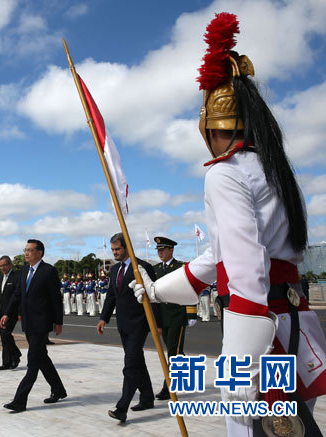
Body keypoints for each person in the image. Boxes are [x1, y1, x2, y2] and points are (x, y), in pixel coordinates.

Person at [130, 13, 326, 436]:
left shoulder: (225, 173)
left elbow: (243, 266)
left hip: (260, 330)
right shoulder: (278, 172)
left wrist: (244, 361)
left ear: (208, 125)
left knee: (250, 426)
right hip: (294, 322)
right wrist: (159, 289)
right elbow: (220, 257)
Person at [96, 232, 161, 423]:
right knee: (137, 361)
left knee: (130, 365)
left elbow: (153, 296)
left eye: (118, 249)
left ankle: (122, 407)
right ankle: (147, 397)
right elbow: (111, 296)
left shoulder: (142, 267)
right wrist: (103, 318)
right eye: (113, 249)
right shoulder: (115, 270)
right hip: (123, 323)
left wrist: (156, 323)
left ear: (127, 248)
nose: (114, 252)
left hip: (139, 323)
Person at [1, 239, 66, 412]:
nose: (26, 253)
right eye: (25, 250)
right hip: (28, 322)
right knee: (42, 358)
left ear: (40, 252)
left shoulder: (48, 271)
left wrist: (58, 321)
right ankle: (58, 389)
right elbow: (17, 295)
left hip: (41, 323)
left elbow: (55, 298)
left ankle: (20, 400)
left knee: (33, 362)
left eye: (30, 250)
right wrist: (7, 313)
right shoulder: (24, 271)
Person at [152, 236, 197, 401]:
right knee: (175, 352)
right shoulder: (155, 269)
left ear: (171, 249)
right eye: (158, 250)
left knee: (173, 352)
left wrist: (191, 313)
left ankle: (168, 388)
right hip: (162, 316)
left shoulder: (181, 268)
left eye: (163, 250)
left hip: (178, 315)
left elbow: (190, 290)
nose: (160, 253)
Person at [0, 256, 21, 370]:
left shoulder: (17, 277)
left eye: (4, 265)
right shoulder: (0, 277)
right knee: (3, 337)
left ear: (10, 265)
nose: (2, 268)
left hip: (12, 312)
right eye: (0, 266)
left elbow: (18, 296)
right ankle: (6, 362)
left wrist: (20, 312)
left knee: (6, 334)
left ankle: (16, 355)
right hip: (0, 311)